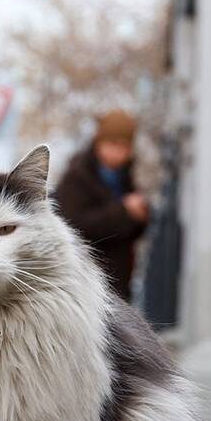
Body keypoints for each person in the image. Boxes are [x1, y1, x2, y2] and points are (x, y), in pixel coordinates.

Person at [54, 109, 150, 302]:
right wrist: (124, 210)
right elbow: (74, 225)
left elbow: (128, 231)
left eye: (124, 146)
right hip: (85, 281)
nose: (118, 152)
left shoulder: (125, 179)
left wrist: (140, 217)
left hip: (118, 283)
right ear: (99, 144)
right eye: (112, 144)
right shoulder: (77, 176)